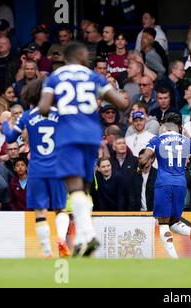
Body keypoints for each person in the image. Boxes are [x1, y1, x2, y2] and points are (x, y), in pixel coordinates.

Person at [38, 42, 127, 257]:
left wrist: (64, 109)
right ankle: (83, 240)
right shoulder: (93, 76)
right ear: (78, 54)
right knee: (85, 188)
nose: (89, 57)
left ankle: (88, 236)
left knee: (74, 188)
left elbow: (42, 108)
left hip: (69, 135)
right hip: (91, 134)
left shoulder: (55, 77)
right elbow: (121, 104)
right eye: (87, 54)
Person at [1, 79, 70, 257]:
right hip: (57, 168)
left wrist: (8, 121)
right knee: (60, 209)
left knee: (40, 212)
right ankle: (61, 239)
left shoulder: (27, 116)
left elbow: (9, 138)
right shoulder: (61, 114)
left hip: (37, 169)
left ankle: (46, 251)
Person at [139, 113, 191, 259]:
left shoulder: (157, 139)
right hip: (180, 183)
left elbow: (143, 159)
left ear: (164, 125)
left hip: (164, 183)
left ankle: (173, 258)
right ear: (180, 126)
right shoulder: (187, 141)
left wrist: (140, 165)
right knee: (173, 221)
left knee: (162, 223)